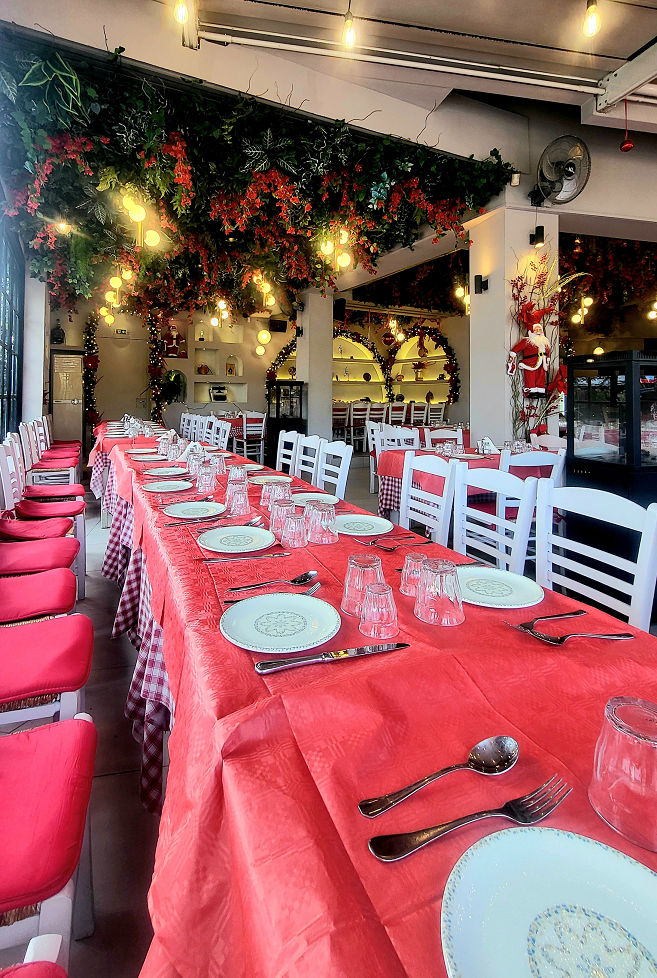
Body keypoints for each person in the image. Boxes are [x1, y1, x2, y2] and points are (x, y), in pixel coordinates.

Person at [507, 301, 552, 395]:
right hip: (530, 362)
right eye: (536, 330)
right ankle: (531, 389)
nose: (538, 331)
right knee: (530, 376)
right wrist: (513, 356)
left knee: (541, 376)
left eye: (540, 329)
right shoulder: (527, 341)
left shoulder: (545, 341)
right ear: (531, 331)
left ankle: (540, 388)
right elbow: (516, 348)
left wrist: (547, 359)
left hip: (542, 361)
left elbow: (547, 351)